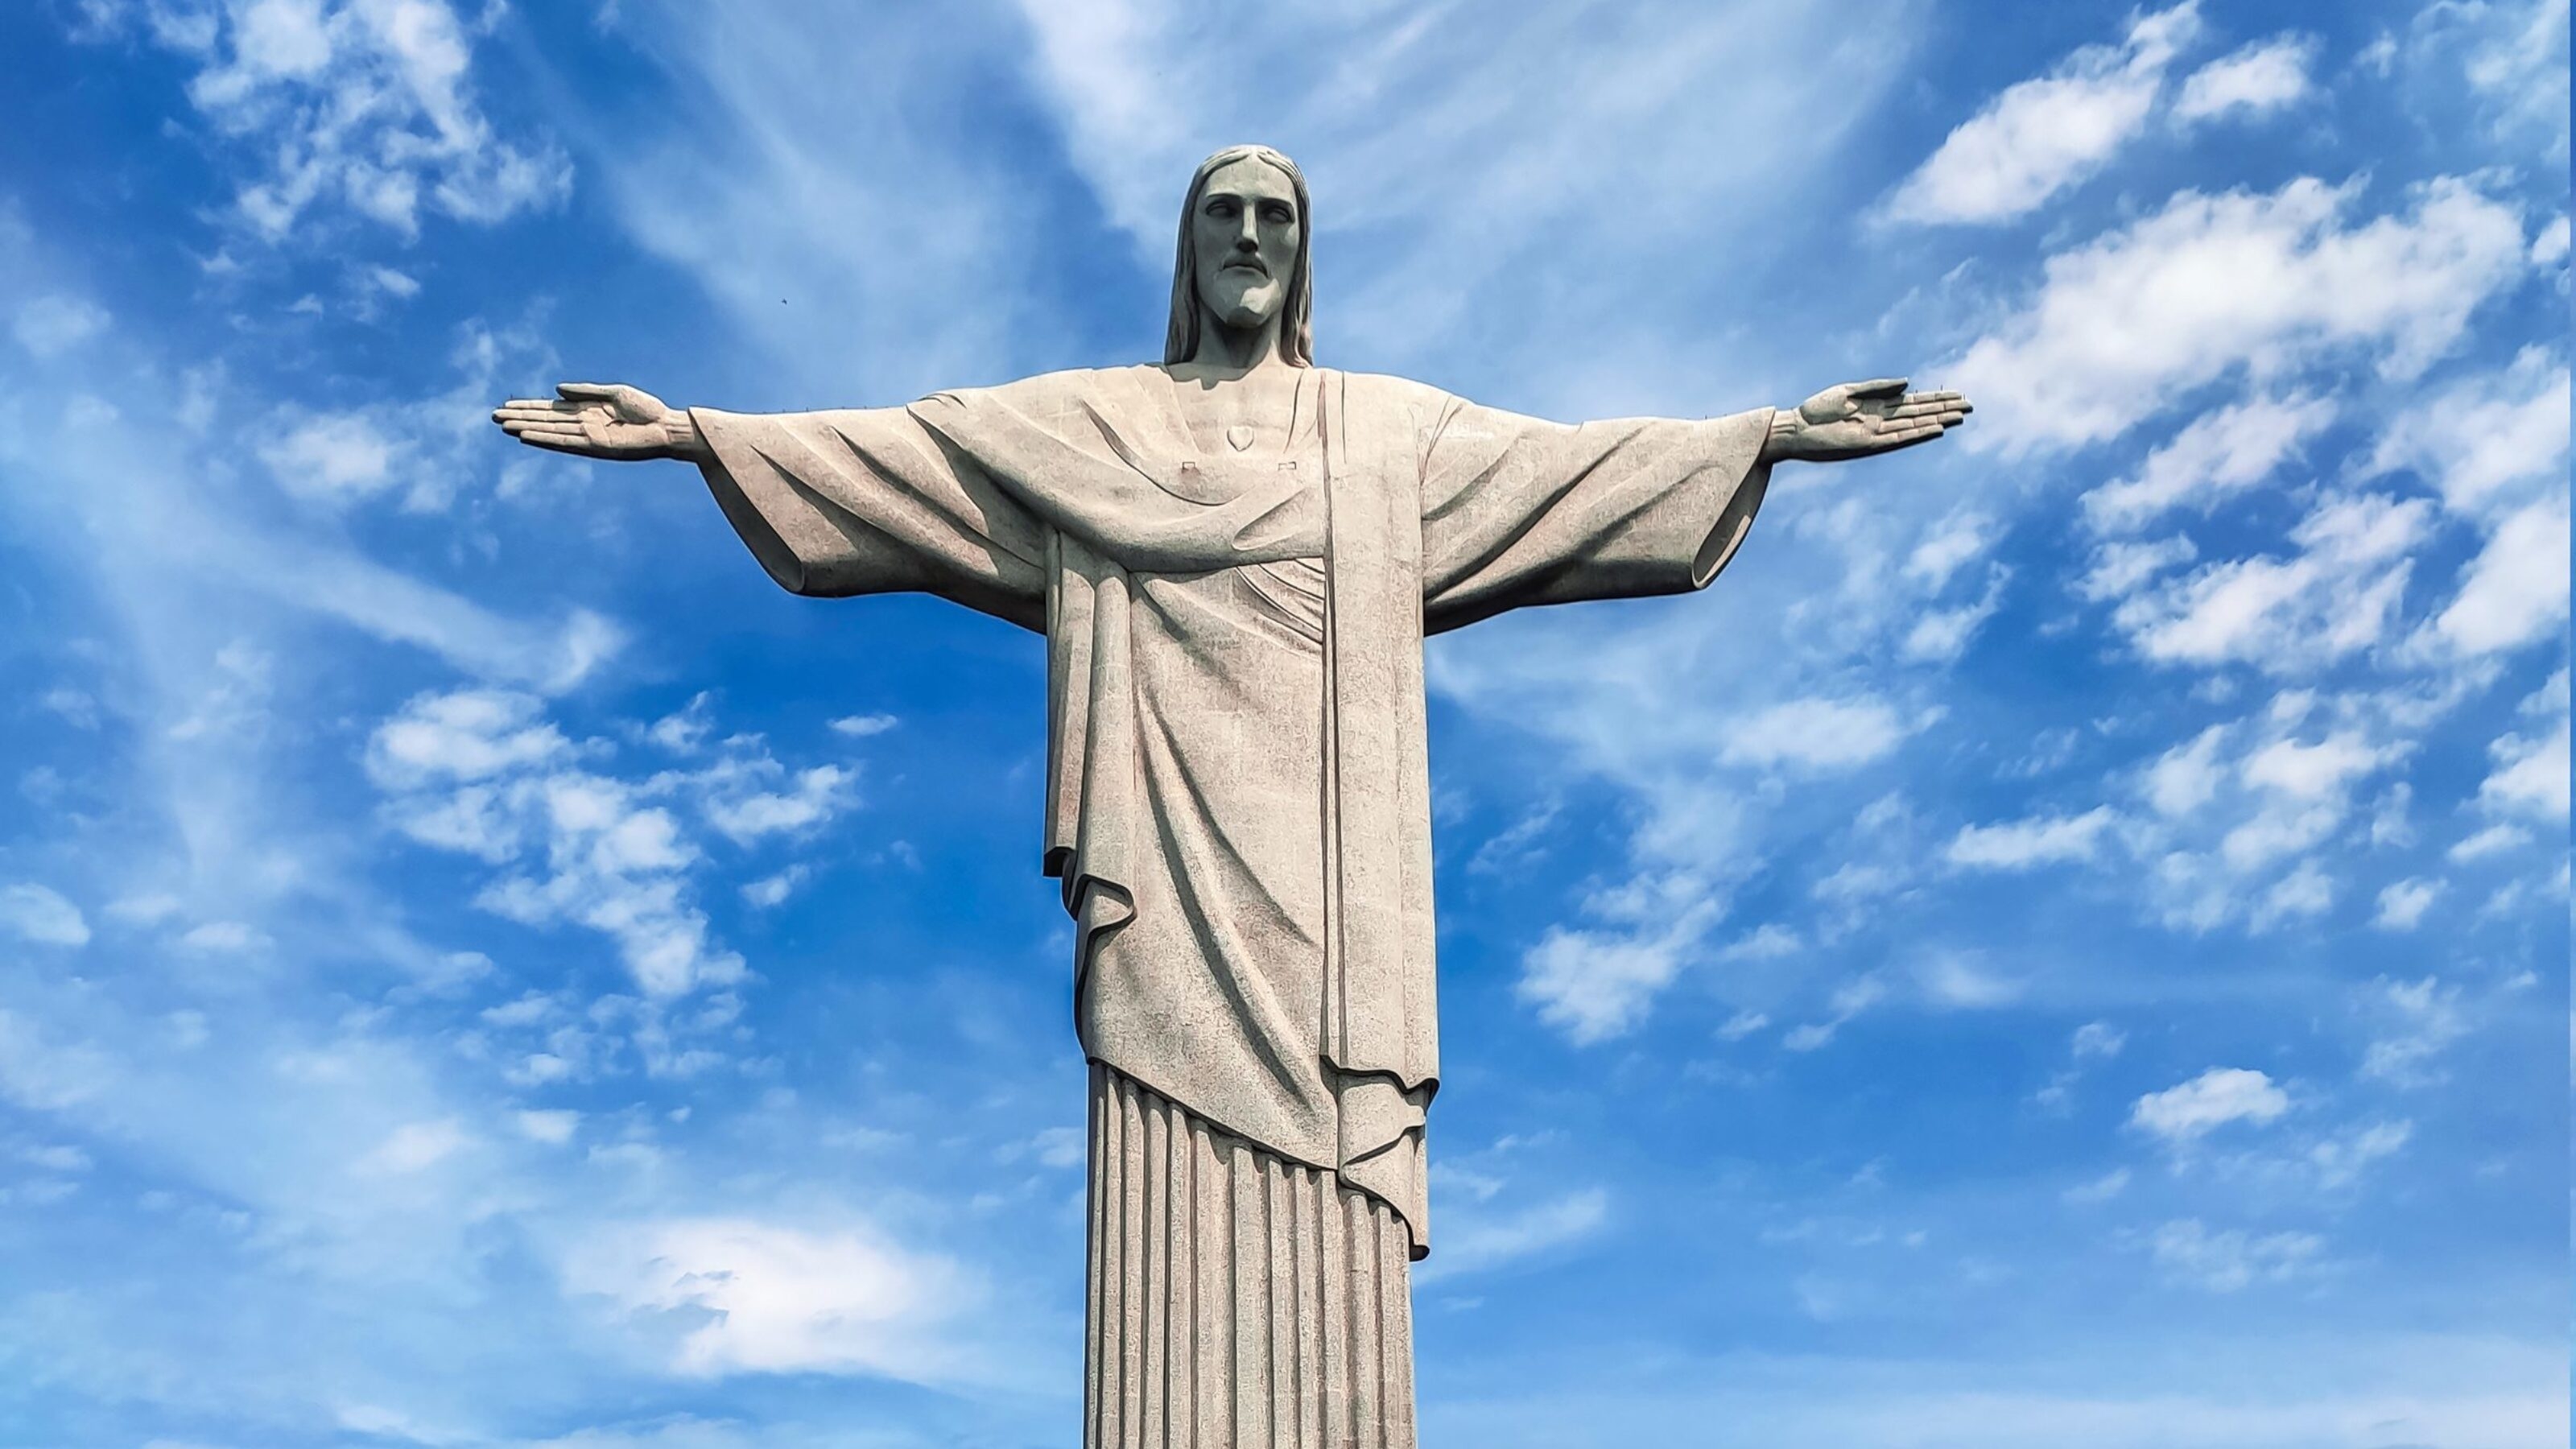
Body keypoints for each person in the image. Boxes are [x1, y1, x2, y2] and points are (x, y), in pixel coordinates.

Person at [496, 142, 1968, 1449]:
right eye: (1225, 216)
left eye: (1277, 215)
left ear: (1303, 249)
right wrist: (700, 432)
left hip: (1332, 886)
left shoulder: (1385, 436)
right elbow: (910, 450)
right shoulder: (1096, 426)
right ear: (1190, 252)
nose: (1252, 237)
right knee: (1163, 1166)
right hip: (1162, 861)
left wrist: (1767, 430)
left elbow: (1570, 473)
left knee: (1329, 1183)